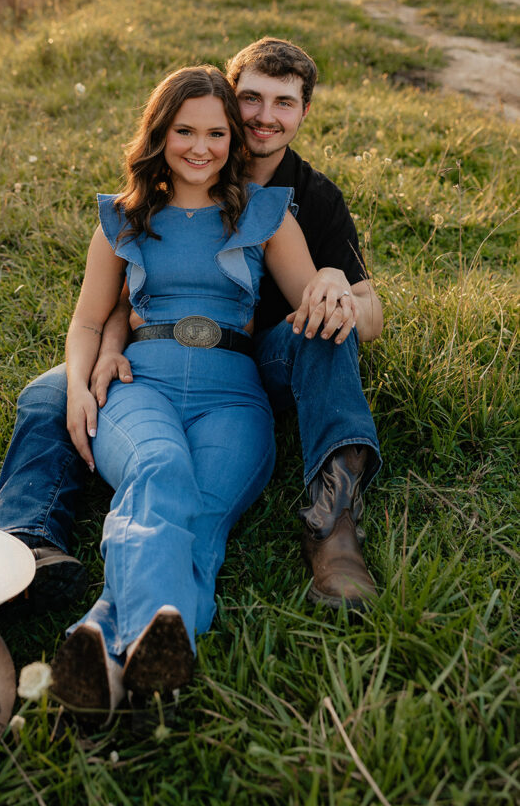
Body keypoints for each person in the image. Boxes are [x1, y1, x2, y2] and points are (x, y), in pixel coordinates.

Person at [0, 37, 382, 613]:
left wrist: (336, 287)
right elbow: (121, 295)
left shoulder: (312, 200)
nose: (265, 118)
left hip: (261, 357)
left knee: (328, 330)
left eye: (284, 103)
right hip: (159, 350)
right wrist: (109, 347)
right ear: (224, 99)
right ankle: (27, 536)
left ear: (303, 112)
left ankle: (334, 520)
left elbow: (370, 310)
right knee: (50, 393)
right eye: (250, 99)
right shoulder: (166, 183)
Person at [46, 64, 354, 719]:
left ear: (232, 140)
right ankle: (164, 641)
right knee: (159, 474)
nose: (199, 146)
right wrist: (78, 384)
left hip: (233, 397)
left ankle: (101, 642)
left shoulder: (266, 215)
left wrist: (333, 277)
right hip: (140, 386)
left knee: (203, 517)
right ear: (159, 133)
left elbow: (311, 305)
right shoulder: (123, 218)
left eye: (216, 132)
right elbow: (85, 319)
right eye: (183, 130)